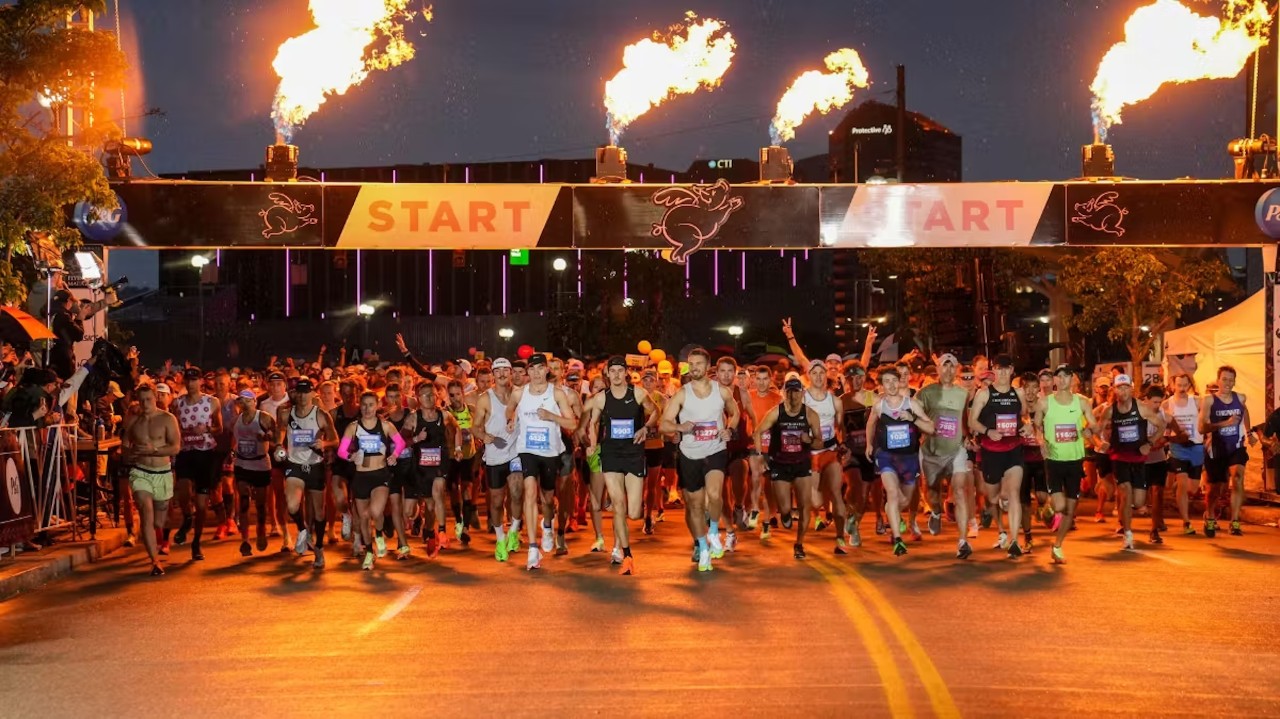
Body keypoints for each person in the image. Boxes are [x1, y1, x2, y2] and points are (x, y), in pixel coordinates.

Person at [659, 347, 740, 572]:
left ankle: (713, 531)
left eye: (698, 364)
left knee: (715, 494)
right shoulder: (682, 394)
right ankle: (702, 547)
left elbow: (735, 413)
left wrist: (730, 430)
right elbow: (663, 423)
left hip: (715, 449)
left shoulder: (721, 391)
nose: (693, 368)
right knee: (694, 505)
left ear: (707, 367)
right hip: (689, 453)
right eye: (690, 364)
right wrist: (678, 426)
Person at [583, 356, 658, 575]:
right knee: (618, 505)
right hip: (611, 453)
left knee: (633, 512)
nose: (616, 375)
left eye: (619, 370)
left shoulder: (637, 393)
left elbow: (655, 411)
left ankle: (623, 512)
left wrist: (645, 428)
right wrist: (593, 444)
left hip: (634, 453)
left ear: (626, 372)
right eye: (612, 371)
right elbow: (594, 423)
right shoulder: (601, 398)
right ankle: (627, 555)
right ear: (607, 373)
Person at [505, 354, 578, 570]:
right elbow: (510, 409)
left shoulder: (556, 393)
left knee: (547, 499)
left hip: (550, 451)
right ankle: (532, 548)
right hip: (527, 449)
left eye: (540, 368)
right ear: (527, 372)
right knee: (529, 492)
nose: (536, 373)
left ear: (547, 370)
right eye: (532, 369)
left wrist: (551, 416)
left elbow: (572, 423)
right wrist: (512, 419)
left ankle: (548, 526)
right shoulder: (519, 392)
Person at [1032, 365, 1101, 564]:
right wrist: (1041, 441)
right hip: (1054, 460)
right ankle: (1047, 509)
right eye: (1058, 376)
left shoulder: (1082, 402)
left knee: (1070, 510)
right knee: (1060, 505)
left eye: (1066, 376)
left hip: (1075, 460)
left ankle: (1057, 546)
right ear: (1054, 380)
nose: (1062, 380)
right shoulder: (1045, 403)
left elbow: (1094, 424)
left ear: (1073, 379)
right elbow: (1037, 425)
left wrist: (1090, 430)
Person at [865, 366, 934, 557]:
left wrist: (912, 418)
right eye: (886, 381)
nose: (891, 385)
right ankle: (897, 539)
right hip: (886, 456)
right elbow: (870, 423)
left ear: (900, 381)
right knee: (893, 493)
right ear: (882, 385)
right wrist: (869, 445)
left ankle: (893, 512)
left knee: (902, 500)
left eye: (894, 380)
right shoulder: (879, 405)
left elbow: (931, 427)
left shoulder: (911, 404)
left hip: (909, 458)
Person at [968, 354, 1031, 558]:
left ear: (1012, 370)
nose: (1002, 373)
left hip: (1013, 450)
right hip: (991, 452)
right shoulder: (984, 394)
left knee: (1013, 494)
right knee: (993, 496)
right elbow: (972, 421)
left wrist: (1027, 427)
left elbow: (1024, 415)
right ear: (993, 370)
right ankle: (993, 509)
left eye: (1006, 369)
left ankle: (1014, 540)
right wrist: (988, 432)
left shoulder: (1018, 393)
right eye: (998, 369)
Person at [753, 377, 823, 559]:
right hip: (781, 464)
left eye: (796, 391)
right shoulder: (776, 412)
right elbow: (757, 432)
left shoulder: (810, 414)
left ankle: (799, 544)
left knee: (804, 506)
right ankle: (784, 515)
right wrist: (761, 456)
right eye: (789, 391)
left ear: (802, 393)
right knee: (784, 508)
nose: (793, 395)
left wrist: (809, 441)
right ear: (784, 393)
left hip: (801, 464)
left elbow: (819, 441)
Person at [337, 391, 407, 570]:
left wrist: (394, 455)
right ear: (360, 406)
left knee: (375, 512)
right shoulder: (353, 427)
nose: (367, 409)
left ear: (377, 406)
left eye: (371, 405)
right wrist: (351, 456)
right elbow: (341, 451)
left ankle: (378, 534)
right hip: (361, 476)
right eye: (364, 405)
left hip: (380, 475)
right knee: (363, 518)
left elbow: (400, 443)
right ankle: (369, 552)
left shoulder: (385, 426)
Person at [1095, 374, 1166, 551]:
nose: (1123, 391)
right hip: (1119, 457)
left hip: (1138, 458)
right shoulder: (1110, 411)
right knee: (1125, 494)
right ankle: (1127, 534)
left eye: (1126, 387)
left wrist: (1149, 443)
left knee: (1140, 501)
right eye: (1119, 387)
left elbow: (1161, 425)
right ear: (1114, 390)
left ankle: (1126, 519)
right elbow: (1095, 431)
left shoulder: (1141, 408)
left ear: (1132, 389)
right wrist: (1099, 443)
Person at [276, 378, 338, 567]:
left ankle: (318, 548)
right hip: (295, 464)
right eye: (299, 392)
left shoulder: (321, 415)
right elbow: (279, 431)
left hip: (315, 466)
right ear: (295, 394)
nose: (302, 396)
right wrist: (279, 446)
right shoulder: (287, 414)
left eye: (306, 392)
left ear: (312, 393)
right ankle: (303, 531)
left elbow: (335, 439)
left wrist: (325, 443)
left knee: (319, 513)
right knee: (293, 506)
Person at [916, 354, 972, 557]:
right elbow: (914, 417)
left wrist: (969, 438)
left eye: (951, 367)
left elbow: (965, 420)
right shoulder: (925, 393)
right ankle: (936, 512)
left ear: (956, 369)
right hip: (931, 452)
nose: (947, 371)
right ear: (937, 369)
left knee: (959, 491)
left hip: (956, 450)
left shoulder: (963, 394)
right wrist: (926, 428)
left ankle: (963, 541)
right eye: (943, 367)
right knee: (933, 492)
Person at [122, 384, 180, 576]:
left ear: (156, 397)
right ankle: (155, 562)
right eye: (142, 400)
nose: (145, 404)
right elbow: (125, 448)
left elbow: (175, 447)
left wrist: (154, 450)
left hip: (162, 473)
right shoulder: (132, 422)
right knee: (146, 513)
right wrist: (129, 454)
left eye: (149, 399)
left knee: (159, 521)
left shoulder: (167, 419)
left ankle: (160, 538)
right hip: (141, 473)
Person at [471, 357, 524, 562]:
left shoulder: (520, 394)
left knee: (518, 492)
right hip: (494, 455)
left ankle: (514, 531)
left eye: (505, 370)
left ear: (511, 373)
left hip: (515, 452)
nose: (502, 374)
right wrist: (485, 437)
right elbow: (475, 426)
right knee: (495, 501)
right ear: (493, 375)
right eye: (498, 371)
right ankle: (500, 539)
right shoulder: (485, 398)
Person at [171, 367, 223, 561]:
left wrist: (207, 428)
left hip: (206, 454)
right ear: (184, 381)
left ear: (201, 381)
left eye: (195, 380)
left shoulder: (212, 402)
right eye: (188, 380)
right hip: (186, 453)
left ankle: (197, 542)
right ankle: (187, 517)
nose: (191, 383)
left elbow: (220, 428)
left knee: (202, 504)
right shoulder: (177, 403)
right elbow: (174, 425)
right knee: (183, 491)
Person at [1198, 366, 1257, 537]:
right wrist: (1225, 423)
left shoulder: (1240, 397)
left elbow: (1244, 410)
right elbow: (1202, 428)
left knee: (1237, 477)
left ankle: (1235, 521)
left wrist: (1249, 431)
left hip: (1236, 447)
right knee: (1216, 488)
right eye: (1224, 379)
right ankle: (1209, 515)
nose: (1228, 383)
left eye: (1231, 380)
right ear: (1218, 380)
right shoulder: (1208, 400)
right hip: (1216, 448)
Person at [801, 359, 850, 553]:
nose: (819, 377)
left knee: (836, 494)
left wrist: (843, 445)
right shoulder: (802, 399)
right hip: (810, 454)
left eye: (822, 373)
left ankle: (840, 538)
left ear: (826, 376)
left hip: (829, 451)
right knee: (816, 502)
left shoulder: (835, 401)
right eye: (814, 373)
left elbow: (840, 428)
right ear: (809, 376)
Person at [230, 389, 273, 557]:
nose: (245, 403)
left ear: (254, 401)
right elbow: (234, 438)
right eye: (242, 400)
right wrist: (232, 453)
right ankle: (245, 540)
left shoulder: (263, 417)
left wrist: (267, 436)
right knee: (244, 501)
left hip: (261, 464)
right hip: (242, 463)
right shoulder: (236, 420)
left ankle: (261, 532)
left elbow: (275, 434)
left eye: (249, 400)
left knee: (261, 505)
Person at [839, 364, 877, 547]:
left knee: (863, 494)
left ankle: (855, 524)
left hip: (869, 451)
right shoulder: (842, 401)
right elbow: (837, 427)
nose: (857, 380)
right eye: (852, 377)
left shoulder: (873, 398)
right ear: (846, 380)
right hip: (850, 451)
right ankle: (849, 515)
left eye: (860, 376)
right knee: (854, 485)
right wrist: (842, 446)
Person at [1163, 373, 1204, 536]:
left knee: (1192, 489)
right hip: (1178, 447)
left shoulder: (1197, 402)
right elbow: (1163, 428)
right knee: (1182, 483)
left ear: (1189, 385)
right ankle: (1186, 522)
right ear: (1173, 385)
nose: (1181, 388)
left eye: (1184, 385)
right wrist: (1172, 438)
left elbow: (1205, 420)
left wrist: (1208, 438)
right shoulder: (1167, 404)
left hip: (1196, 446)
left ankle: (1177, 488)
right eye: (1178, 385)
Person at [746, 365, 781, 532]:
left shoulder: (778, 398)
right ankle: (754, 509)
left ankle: (768, 517)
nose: (761, 383)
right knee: (755, 476)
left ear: (770, 380)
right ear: (754, 380)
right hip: (754, 443)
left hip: (772, 446)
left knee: (768, 483)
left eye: (765, 379)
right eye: (758, 379)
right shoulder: (748, 397)